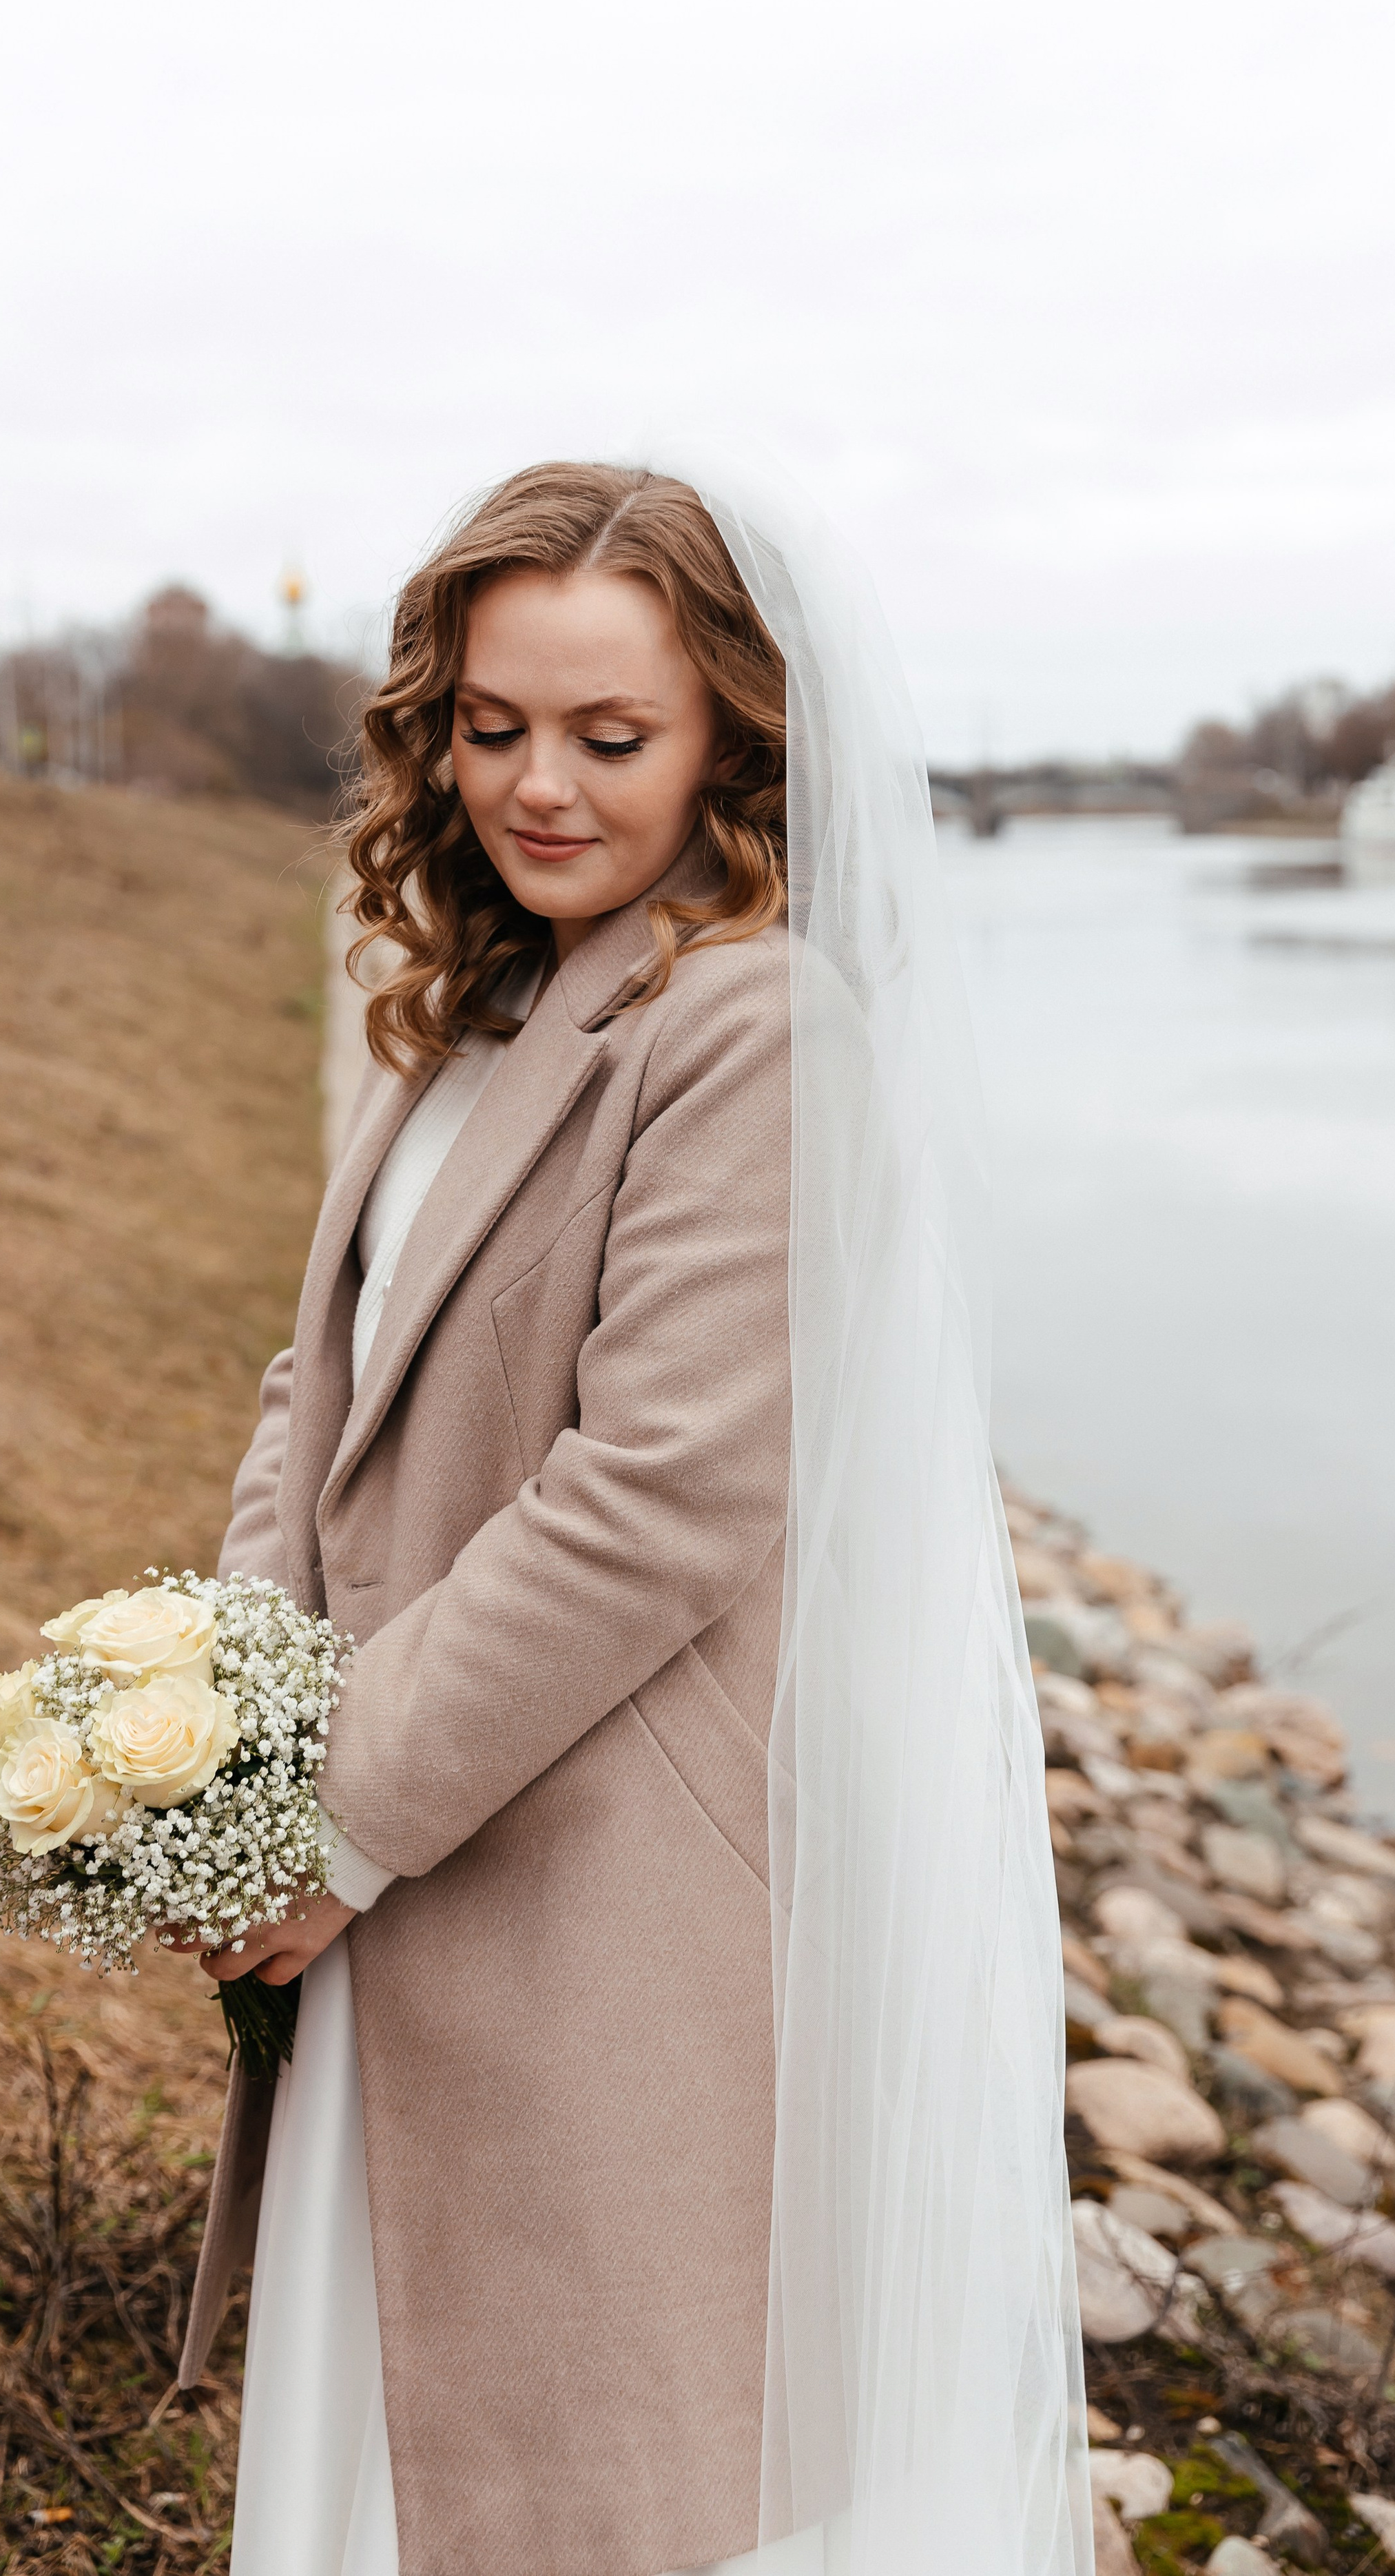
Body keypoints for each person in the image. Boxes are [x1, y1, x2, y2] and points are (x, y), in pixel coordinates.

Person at [172, 460, 1086, 2576]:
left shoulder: (753, 1027)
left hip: (573, 1891)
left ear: (734, 747)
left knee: (570, 2491)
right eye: (494, 727)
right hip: (397, 1853)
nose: (538, 786)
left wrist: (332, 1819)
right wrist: (234, 1716)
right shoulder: (483, 1000)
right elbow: (324, 1384)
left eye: (611, 736)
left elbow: (661, 1497)